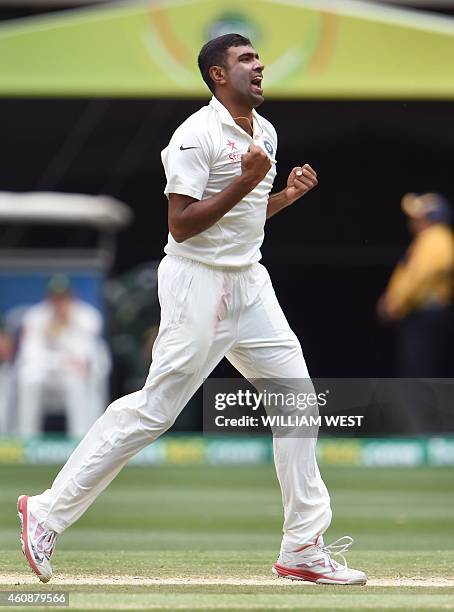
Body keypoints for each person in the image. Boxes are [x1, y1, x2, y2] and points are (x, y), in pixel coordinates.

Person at [17, 34, 366, 586]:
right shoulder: (193, 136)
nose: (259, 66)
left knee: (298, 402)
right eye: (246, 60)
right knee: (156, 410)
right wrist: (249, 180)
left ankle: (302, 546)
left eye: (258, 58)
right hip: (197, 283)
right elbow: (182, 223)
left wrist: (282, 197)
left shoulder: (265, 131)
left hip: (249, 280)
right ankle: (47, 511)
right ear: (217, 76)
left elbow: (241, 219)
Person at [15, 274, 107, 437]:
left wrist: (65, 326)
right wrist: (58, 359)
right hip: (46, 369)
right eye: (55, 296)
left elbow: (82, 355)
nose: (59, 301)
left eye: (63, 296)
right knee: (29, 377)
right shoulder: (35, 316)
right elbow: (31, 353)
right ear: (48, 296)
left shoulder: (87, 316)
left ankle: (78, 436)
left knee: (75, 379)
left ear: (71, 295)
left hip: (70, 372)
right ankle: (26, 436)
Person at [377, 193, 454, 376]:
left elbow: (422, 275)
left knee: (419, 369)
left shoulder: (436, 238)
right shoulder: (430, 239)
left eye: (418, 216)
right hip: (423, 312)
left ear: (432, 218)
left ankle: (420, 405)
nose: (412, 221)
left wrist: (397, 302)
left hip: (426, 312)